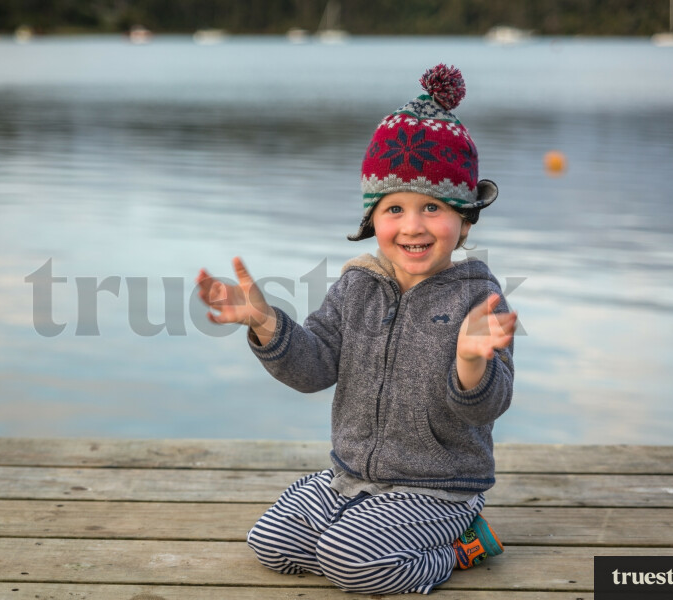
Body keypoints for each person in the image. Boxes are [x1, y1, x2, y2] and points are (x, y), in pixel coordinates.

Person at [196, 64, 516, 595]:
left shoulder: (477, 298)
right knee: (269, 545)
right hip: (352, 476)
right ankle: (352, 520)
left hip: (439, 488)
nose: (412, 225)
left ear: (465, 219)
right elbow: (314, 366)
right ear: (374, 219)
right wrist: (265, 322)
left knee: (350, 564)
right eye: (395, 208)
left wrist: (471, 361)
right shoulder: (357, 285)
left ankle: (459, 545)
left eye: (432, 208)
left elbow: (489, 406)